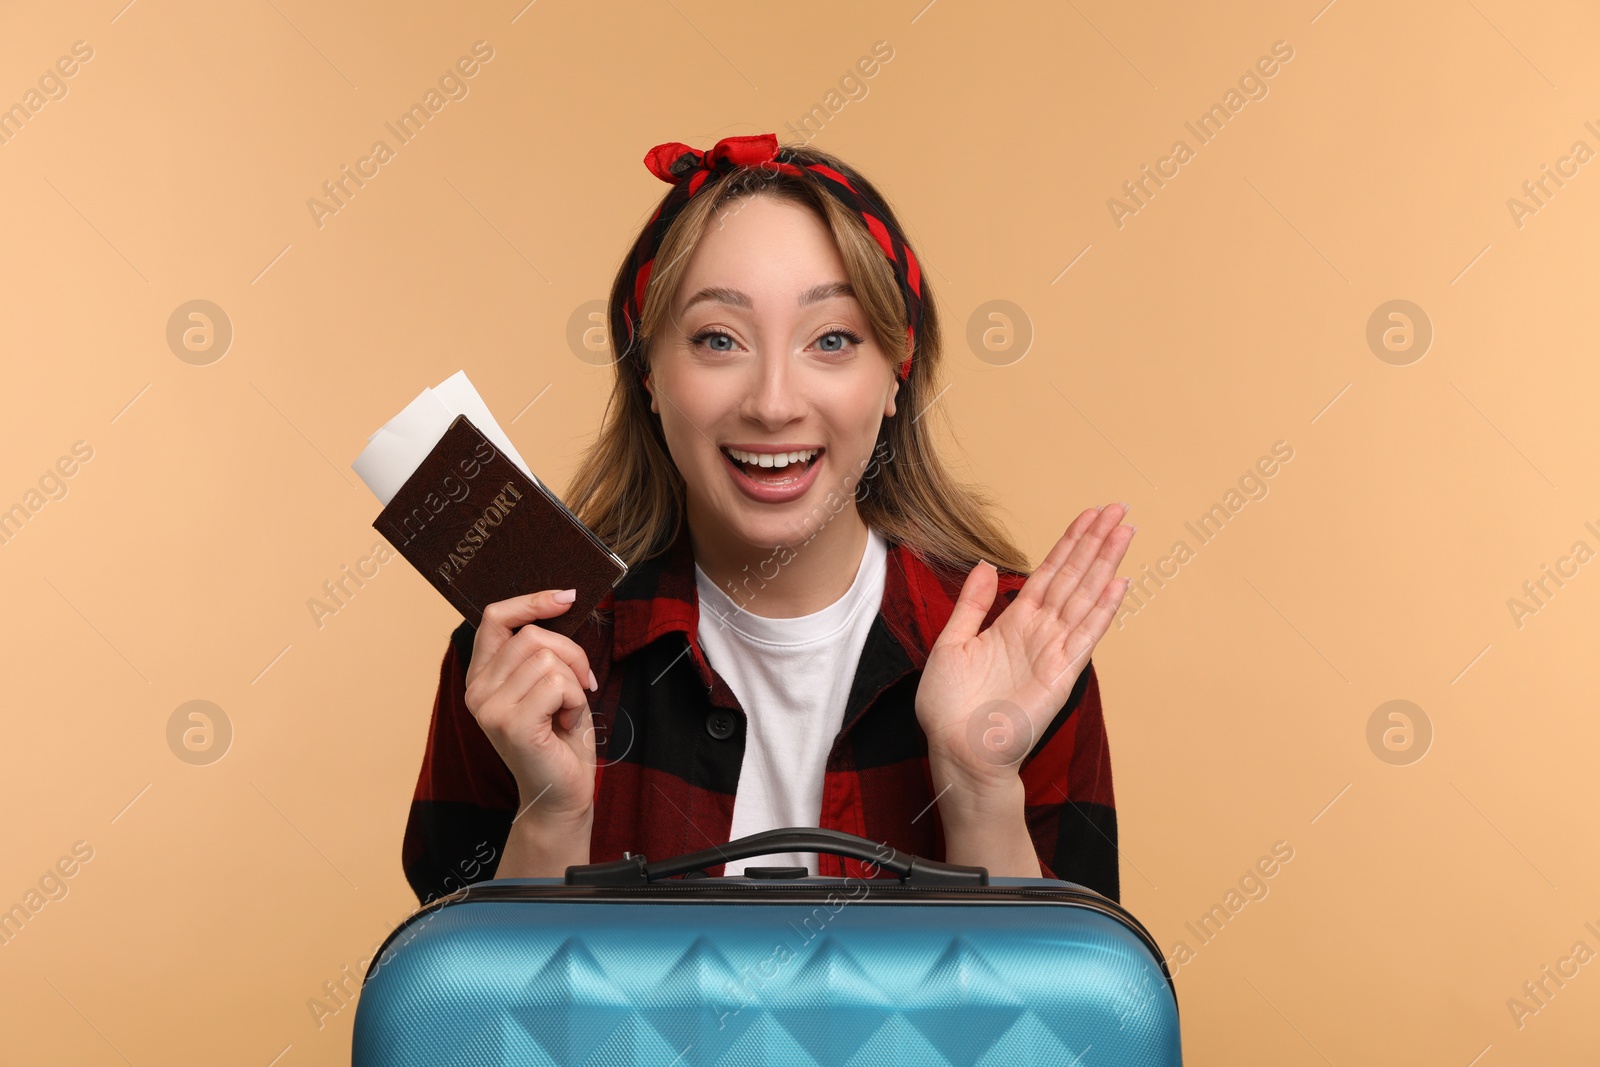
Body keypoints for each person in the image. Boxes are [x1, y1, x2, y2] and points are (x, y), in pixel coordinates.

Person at [401, 133, 1135, 904]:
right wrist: (550, 819)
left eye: (833, 339)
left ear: (897, 370)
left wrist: (980, 790)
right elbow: (474, 1022)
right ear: (648, 370)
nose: (774, 402)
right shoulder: (529, 658)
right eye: (719, 339)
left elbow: (1052, 1024)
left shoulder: (1018, 655)